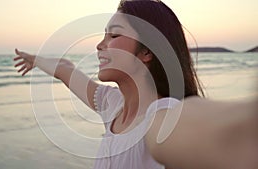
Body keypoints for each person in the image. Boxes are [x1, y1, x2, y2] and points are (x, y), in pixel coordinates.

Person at [13, 0, 258, 169]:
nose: (100, 45)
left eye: (114, 35)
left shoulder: (162, 116)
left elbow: (216, 130)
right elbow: (66, 69)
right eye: (103, 35)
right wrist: (36, 60)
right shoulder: (111, 105)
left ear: (147, 51)